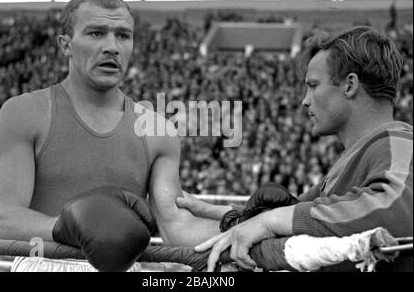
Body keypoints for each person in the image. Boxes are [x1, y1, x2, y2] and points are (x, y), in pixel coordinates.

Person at [0, 0, 221, 271]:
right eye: (96, 33)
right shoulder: (24, 112)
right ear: (65, 45)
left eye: (123, 35)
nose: (112, 46)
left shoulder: (158, 130)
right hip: (45, 261)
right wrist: (66, 228)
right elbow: (2, 220)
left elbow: (176, 226)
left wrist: (248, 227)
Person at [177, 26, 413, 271]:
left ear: (350, 85)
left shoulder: (399, 142)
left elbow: (396, 209)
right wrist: (223, 214)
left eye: (313, 85)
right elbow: (301, 214)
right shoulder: (354, 157)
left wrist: (270, 221)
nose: (305, 100)